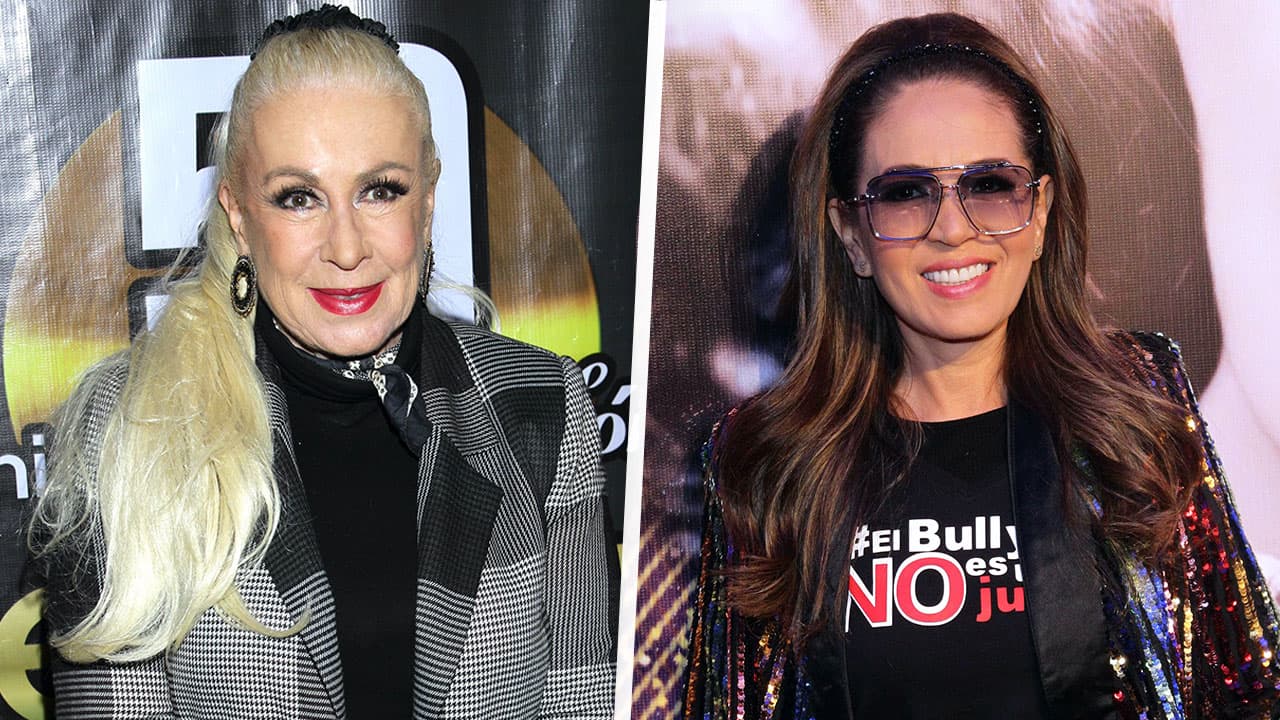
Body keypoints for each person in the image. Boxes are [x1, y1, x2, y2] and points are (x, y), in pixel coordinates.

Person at [683, 12, 1279, 720]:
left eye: (990, 184)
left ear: (1041, 211)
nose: (953, 229)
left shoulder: (1138, 410)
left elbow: (1247, 694)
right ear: (852, 235)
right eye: (906, 192)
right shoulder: (767, 462)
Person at [30, 6, 615, 718]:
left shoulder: (542, 404)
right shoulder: (125, 427)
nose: (346, 247)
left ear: (428, 203)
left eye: (381, 191)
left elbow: (583, 697)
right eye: (298, 198)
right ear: (239, 214)